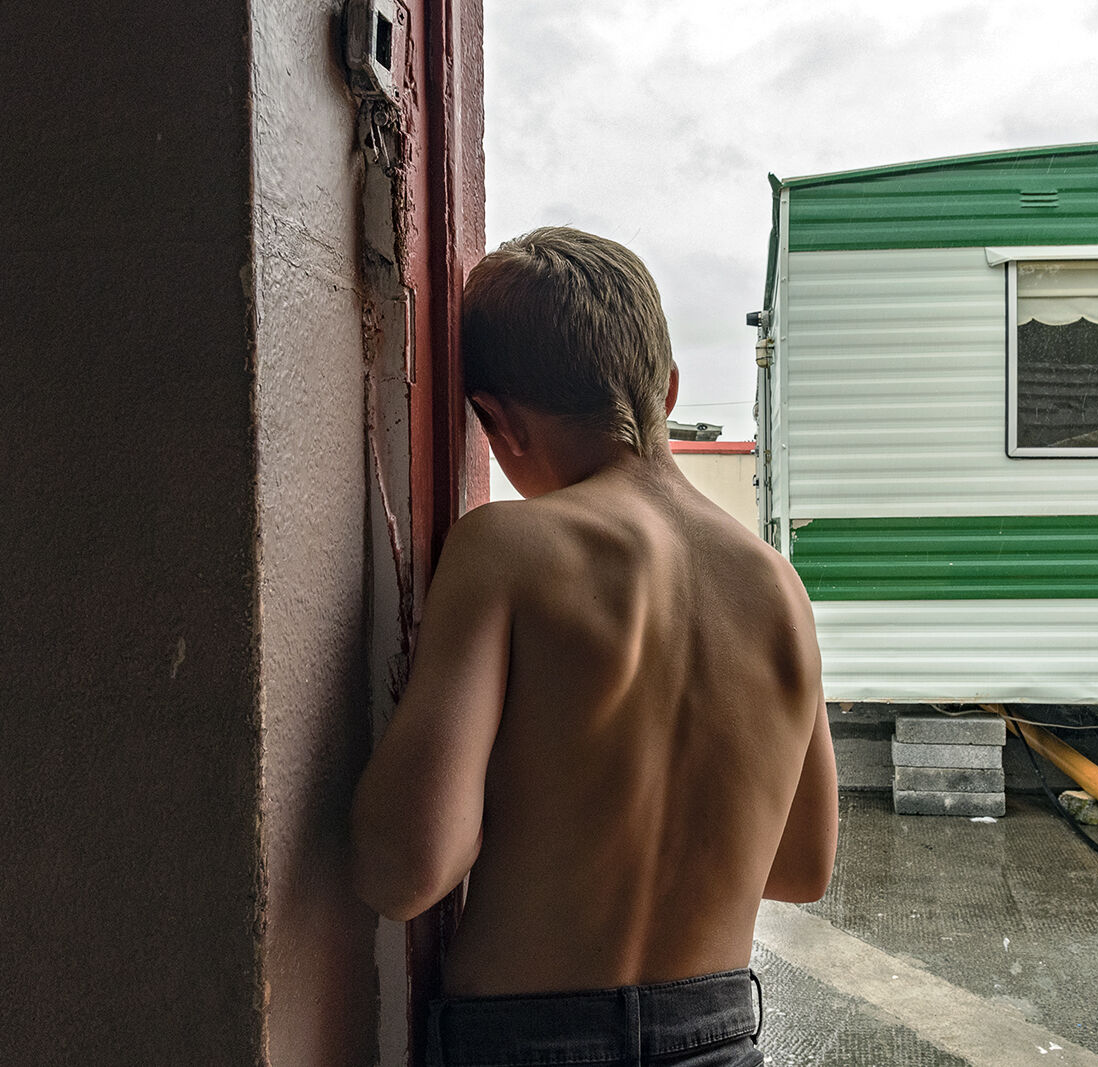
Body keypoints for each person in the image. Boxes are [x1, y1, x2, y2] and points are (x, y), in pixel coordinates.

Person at [351, 226, 838, 1067]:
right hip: (719, 1039)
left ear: (498, 424)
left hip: (530, 1045)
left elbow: (407, 870)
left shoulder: (505, 548)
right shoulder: (777, 589)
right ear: (669, 387)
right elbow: (801, 865)